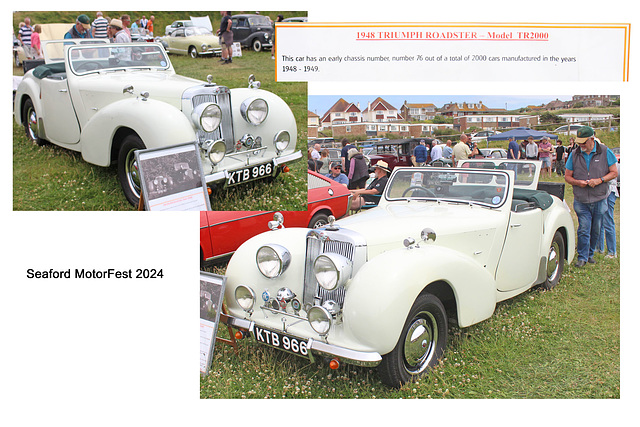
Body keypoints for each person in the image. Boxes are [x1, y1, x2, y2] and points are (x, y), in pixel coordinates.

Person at [564, 126, 618, 267]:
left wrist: (600, 180)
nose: (581, 145)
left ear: (592, 140)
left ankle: (590, 254)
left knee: (596, 228)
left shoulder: (606, 152)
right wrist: (578, 182)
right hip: (581, 199)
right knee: (584, 227)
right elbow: (567, 176)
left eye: (584, 142)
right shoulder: (574, 154)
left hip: (600, 198)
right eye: (579, 143)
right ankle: (582, 257)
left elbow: (614, 172)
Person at [596, 141, 619, 259]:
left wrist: (599, 179)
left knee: (608, 221)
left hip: (609, 191)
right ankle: (599, 248)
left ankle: (612, 252)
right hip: (599, 192)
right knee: (599, 220)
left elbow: (614, 174)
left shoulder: (608, 156)